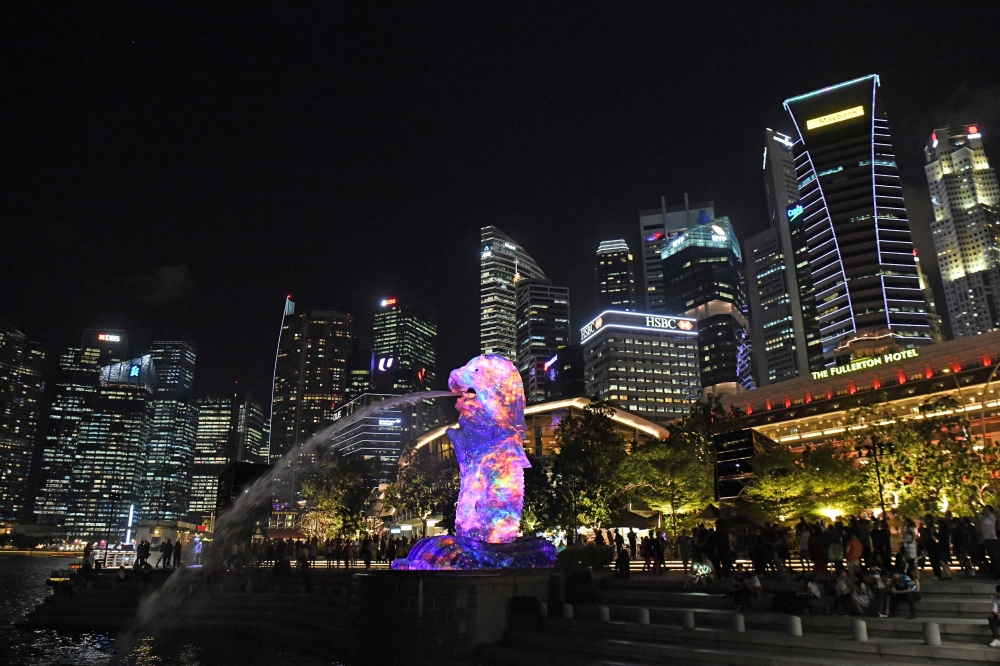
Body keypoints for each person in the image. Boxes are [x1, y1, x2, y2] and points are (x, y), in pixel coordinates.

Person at [970, 499, 1000, 580]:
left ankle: (997, 573)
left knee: (995, 557)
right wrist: (970, 503)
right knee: (992, 557)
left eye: (985, 509)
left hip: (992, 539)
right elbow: (975, 512)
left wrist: (977, 501)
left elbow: (986, 509)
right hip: (986, 539)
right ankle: (995, 572)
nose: (983, 510)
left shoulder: (992, 517)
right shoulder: (982, 518)